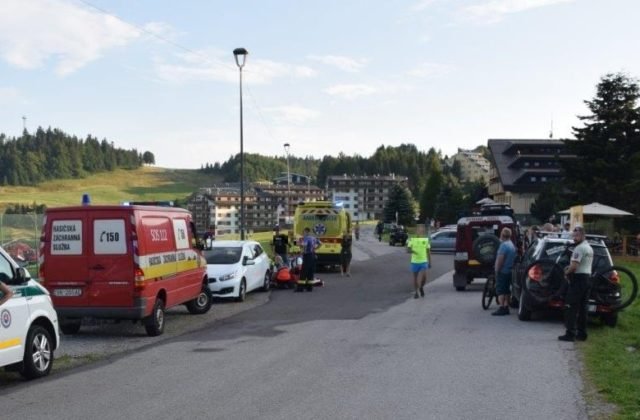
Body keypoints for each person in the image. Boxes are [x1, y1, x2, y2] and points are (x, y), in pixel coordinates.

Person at [559, 225, 593, 342]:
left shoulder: (579, 249)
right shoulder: (589, 247)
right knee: (583, 308)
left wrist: (566, 273)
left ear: (583, 235)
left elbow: (574, 266)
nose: (574, 238)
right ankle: (582, 333)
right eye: (574, 236)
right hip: (587, 278)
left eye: (577, 236)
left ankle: (570, 334)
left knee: (571, 306)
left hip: (578, 279)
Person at [492, 227, 517, 316]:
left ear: (502, 235)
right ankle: (506, 306)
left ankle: (502, 307)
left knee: (501, 290)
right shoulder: (511, 244)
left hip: (503, 271)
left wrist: (497, 270)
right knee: (506, 290)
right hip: (509, 270)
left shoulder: (503, 246)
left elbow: (500, 260)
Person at [406, 224, 431, 299]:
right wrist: (413, 251)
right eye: (419, 229)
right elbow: (408, 250)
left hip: (423, 261)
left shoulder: (426, 239)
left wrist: (430, 262)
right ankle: (416, 292)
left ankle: (421, 287)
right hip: (414, 261)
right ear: (416, 231)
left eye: (422, 230)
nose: (420, 231)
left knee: (424, 277)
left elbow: (428, 251)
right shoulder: (412, 239)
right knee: (415, 278)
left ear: (423, 231)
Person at [296, 227, 321, 292]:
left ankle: (300, 288)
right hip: (313, 255)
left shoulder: (306, 238)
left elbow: (304, 245)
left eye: (303, 232)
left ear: (306, 232)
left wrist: (298, 244)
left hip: (307, 256)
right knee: (310, 272)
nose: (303, 233)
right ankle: (310, 288)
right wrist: (315, 249)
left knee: (303, 272)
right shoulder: (313, 238)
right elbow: (320, 243)